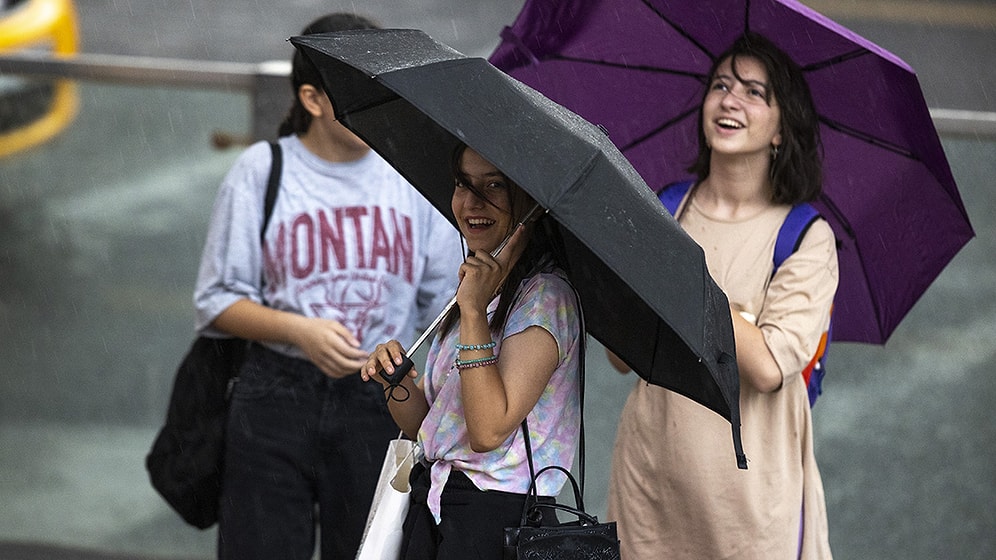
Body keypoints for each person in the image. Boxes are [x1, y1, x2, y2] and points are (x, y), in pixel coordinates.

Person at [192, 12, 463, 560]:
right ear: (313, 100)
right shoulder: (262, 171)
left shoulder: (415, 181)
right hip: (274, 393)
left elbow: (444, 302)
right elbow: (215, 299)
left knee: (370, 549)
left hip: (380, 398)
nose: (379, 102)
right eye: (360, 89)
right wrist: (298, 329)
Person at [605, 32, 838, 559]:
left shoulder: (805, 236)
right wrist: (740, 315)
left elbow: (768, 368)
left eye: (755, 93)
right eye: (721, 85)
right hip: (652, 487)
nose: (730, 100)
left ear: (782, 130)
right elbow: (621, 355)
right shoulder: (662, 210)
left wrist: (683, 280)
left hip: (753, 508)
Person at [361, 145, 584, 560]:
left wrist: (473, 310)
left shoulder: (545, 298)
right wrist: (394, 381)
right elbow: (431, 432)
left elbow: (487, 432)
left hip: (498, 521)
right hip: (438, 508)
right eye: (463, 184)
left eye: (494, 185)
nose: (471, 203)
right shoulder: (480, 286)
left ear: (531, 203)